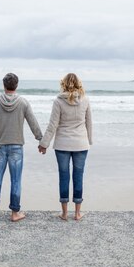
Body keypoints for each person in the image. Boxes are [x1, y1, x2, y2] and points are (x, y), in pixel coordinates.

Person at [0, 73, 43, 222]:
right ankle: (14, 213)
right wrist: (40, 139)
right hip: (17, 147)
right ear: (16, 85)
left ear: (4, 85)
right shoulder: (23, 103)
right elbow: (33, 122)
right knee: (16, 180)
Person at [38, 73, 92, 221]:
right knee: (78, 176)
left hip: (62, 144)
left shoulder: (58, 101)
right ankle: (77, 213)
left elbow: (53, 125)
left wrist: (44, 144)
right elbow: (89, 123)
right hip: (81, 144)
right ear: (79, 84)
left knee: (64, 176)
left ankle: (64, 213)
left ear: (63, 83)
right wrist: (89, 141)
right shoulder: (85, 100)